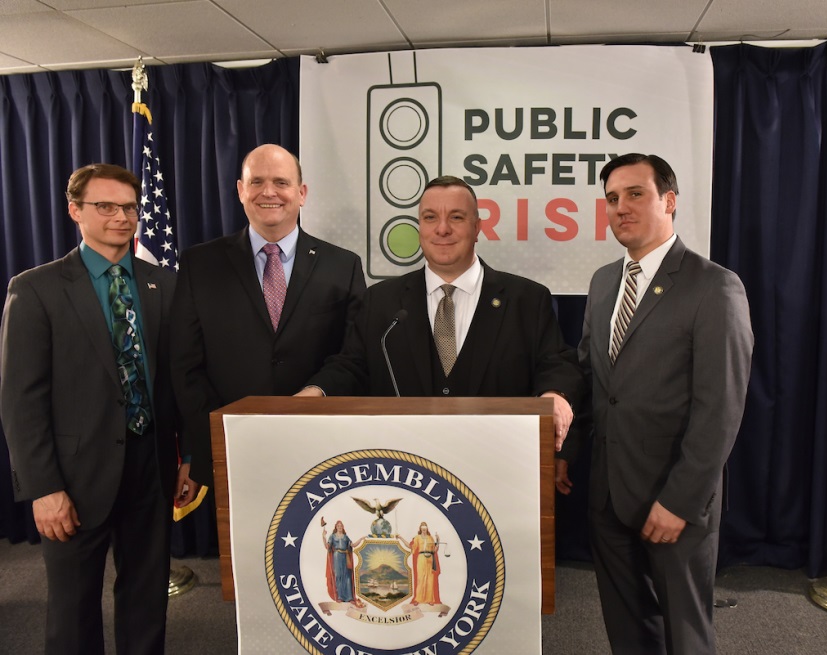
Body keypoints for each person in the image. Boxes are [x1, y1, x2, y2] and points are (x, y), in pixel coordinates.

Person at [556, 153, 754, 654]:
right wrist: (567, 451)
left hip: (675, 500)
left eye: (635, 194)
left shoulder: (715, 287)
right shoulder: (603, 282)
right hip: (608, 494)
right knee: (629, 631)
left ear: (669, 200)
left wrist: (680, 501)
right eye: (611, 199)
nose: (620, 207)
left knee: (685, 635)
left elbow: (721, 410)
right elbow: (590, 379)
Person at [0, 163, 201, 654]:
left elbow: (182, 382)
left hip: (151, 469)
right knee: (72, 611)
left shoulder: (165, 285)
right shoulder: (36, 289)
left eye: (129, 207)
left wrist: (190, 456)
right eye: (105, 206)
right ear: (75, 210)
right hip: (72, 478)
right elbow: (20, 399)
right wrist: (43, 488)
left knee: (146, 601)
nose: (121, 217)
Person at [300, 176, 582, 440]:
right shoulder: (382, 301)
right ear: (420, 227)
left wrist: (555, 394)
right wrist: (316, 392)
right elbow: (352, 367)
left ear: (477, 228)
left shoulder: (527, 299)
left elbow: (554, 363)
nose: (442, 228)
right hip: (405, 468)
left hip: (499, 462)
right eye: (430, 217)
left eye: (456, 217)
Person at [170, 144, 366, 482]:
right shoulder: (199, 264)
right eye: (256, 181)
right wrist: (223, 429)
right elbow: (185, 364)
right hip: (226, 452)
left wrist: (316, 392)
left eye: (281, 182)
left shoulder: (343, 266)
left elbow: (355, 354)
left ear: (301, 194)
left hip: (320, 449)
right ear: (241, 191)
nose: (269, 192)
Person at [397, 522, 441, 605]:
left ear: (427, 529)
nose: (424, 531)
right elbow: (410, 546)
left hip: (430, 559)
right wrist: (401, 538)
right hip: (421, 558)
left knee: (430, 579)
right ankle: (418, 599)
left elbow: (434, 550)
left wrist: (438, 541)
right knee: (420, 578)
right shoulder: (417, 538)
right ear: (420, 529)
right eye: (423, 529)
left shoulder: (430, 538)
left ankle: (430, 599)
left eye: (425, 529)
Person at [323, 520, 363, 605]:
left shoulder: (345, 537)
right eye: (338, 526)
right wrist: (323, 536)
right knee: (338, 575)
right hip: (337, 556)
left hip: (345, 557)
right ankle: (340, 597)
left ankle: (349, 597)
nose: (340, 527)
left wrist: (361, 539)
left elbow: (353, 545)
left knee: (347, 576)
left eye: (341, 526)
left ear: (343, 527)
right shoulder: (332, 536)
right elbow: (327, 546)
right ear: (336, 527)